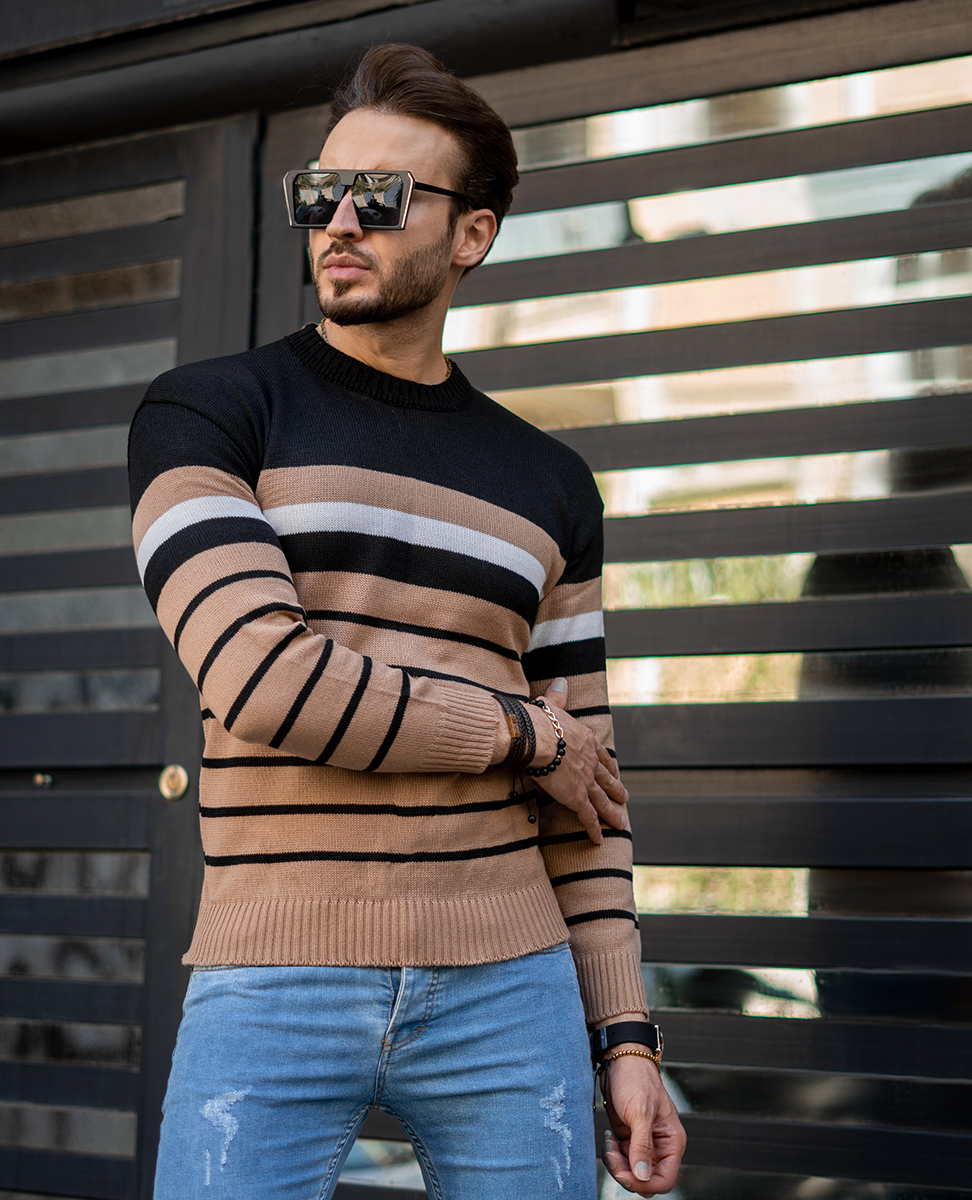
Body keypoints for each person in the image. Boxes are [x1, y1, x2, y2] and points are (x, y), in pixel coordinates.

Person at [128, 42, 685, 1199]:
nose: (340, 221)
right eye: (321, 191)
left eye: (380, 196)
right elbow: (261, 679)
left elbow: (590, 788)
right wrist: (523, 733)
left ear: (471, 235)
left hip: (512, 986)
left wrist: (626, 1037)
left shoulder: (551, 481)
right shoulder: (210, 412)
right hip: (273, 974)